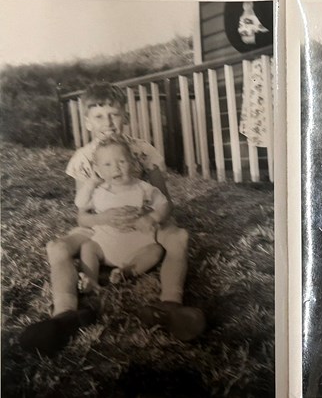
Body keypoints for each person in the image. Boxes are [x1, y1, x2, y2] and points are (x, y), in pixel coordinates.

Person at [20, 83, 205, 356]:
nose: (108, 122)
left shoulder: (143, 151)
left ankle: (170, 305)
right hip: (101, 224)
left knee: (179, 236)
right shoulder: (83, 158)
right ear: (87, 122)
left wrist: (150, 219)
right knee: (57, 247)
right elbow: (82, 214)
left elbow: (165, 201)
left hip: (143, 219)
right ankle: (64, 315)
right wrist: (104, 219)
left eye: (114, 114)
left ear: (125, 116)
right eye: (98, 116)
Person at [75, 135, 168, 293]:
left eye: (122, 162)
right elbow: (80, 204)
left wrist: (152, 217)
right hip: (105, 245)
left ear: (132, 163)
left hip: (137, 243)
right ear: (98, 170)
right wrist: (90, 184)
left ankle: (125, 272)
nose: (116, 168)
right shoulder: (98, 192)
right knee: (88, 247)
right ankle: (90, 278)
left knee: (155, 250)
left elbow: (163, 204)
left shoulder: (142, 187)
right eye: (107, 164)